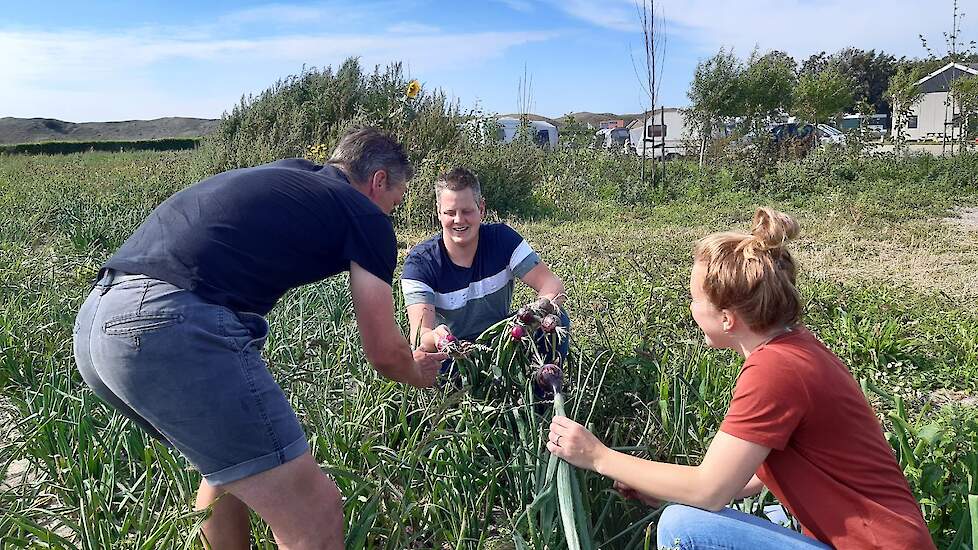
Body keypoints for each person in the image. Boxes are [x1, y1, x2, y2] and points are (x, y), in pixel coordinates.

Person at [72, 127, 447, 550]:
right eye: (395, 201)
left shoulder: (295, 175)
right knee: (316, 514)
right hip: (167, 325)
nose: (391, 213)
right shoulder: (366, 215)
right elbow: (383, 352)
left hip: (97, 323)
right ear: (378, 181)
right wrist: (420, 374)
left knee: (232, 472)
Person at [545, 208, 934, 549]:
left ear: (728, 319)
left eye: (694, 298)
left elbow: (710, 490)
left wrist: (598, 456)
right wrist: (658, 488)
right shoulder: (795, 349)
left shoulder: (774, 371)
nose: (690, 307)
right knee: (686, 511)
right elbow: (745, 481)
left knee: (685, 526)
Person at [400, 167, 567, 360]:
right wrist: (439, 338)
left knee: (556, 319)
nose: (458, 220)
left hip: (503, 341)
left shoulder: (503, 239)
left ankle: (545, 388)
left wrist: (536, 312)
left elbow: (552, 285)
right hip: (454, 353)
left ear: (482, 209)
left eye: (467, 211)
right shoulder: (420, 263)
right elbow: (421, 335)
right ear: (438, 213)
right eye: (450, 212)